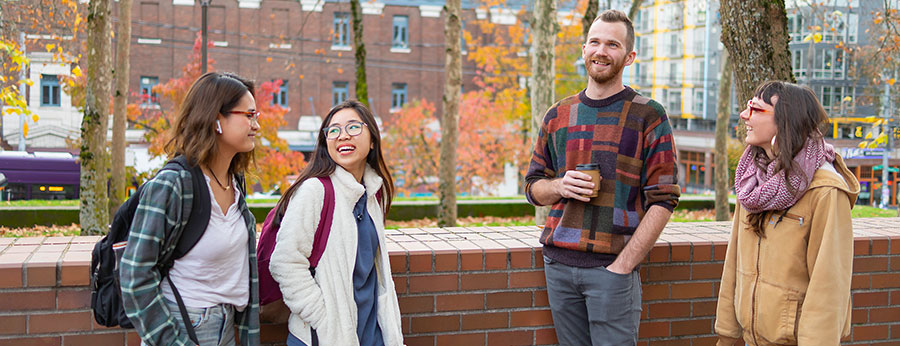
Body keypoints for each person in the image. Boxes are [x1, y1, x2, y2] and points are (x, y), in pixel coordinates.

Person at [524, 9, 680, 346]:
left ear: (629, 56)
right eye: (594, 42)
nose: (601, 51)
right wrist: (559, 185)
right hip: (559, 266)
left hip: (613, 271)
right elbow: (532, 187)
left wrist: (623, 265)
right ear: (583, 50)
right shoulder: (558, 114)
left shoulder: (649, 114)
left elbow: (665, 198)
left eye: (612, 44)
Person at [120, 72, 261, 346]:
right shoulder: (173, 185)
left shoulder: (234, 181)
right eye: (249, 115)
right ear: (217, 119)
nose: (256, 125)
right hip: (183, 326)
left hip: (225, 325)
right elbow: (135, 273)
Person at [715, 81, 859, 346]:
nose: (744, 115)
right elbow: (734, 262)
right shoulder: (751, 182)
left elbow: (829, 287)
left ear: (786, 121)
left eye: (756, 109)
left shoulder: (826, 190)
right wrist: (726, 332)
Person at [269, 100, 404, 346]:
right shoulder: (315, 191)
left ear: (372, 139)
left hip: (371, 333)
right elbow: (285, 262)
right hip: (325, 337)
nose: (342, 136)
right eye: (334, 130)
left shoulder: (373, 193)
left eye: (353, 127)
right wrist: (324, 319)